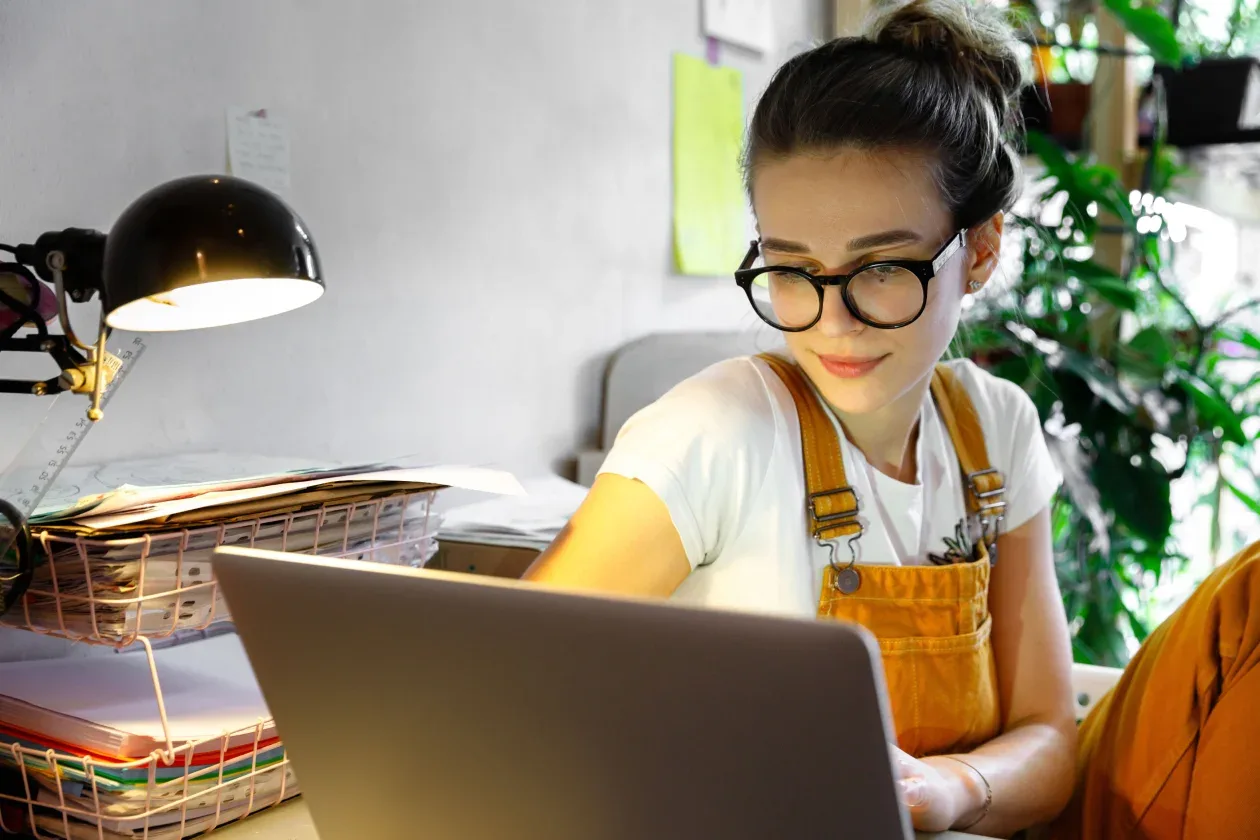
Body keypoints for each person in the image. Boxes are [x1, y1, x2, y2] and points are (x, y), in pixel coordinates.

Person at [526, 1, 1260, 837]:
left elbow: (1050, 742)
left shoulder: (998, 431)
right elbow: (514, 685)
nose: (832, 321)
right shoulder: (715, 430)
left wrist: (950, 789)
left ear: (979, 250)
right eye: (793, 269)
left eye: (880, 267)